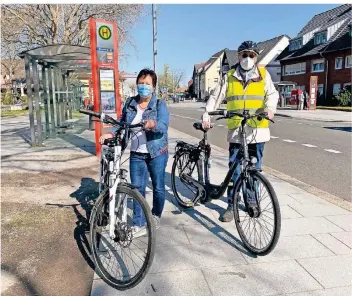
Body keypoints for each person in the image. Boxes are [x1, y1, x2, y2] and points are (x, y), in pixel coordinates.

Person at [202, 41, 279, 222]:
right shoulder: (229, 76)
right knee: (234, 170)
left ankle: (252, 202)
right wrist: (207, 114)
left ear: (256, 57)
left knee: (254, 169)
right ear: (238, 56)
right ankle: (231, 204)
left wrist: (269, 109)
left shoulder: (263, 75)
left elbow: (272, 94)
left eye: (251, 55)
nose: (247, 58)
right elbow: (216, 96)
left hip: (257, 130)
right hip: (237, 130)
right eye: (244, 55)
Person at [99, 68, 170, 236]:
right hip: (137, 153)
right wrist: (111, 132)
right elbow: (122, 122)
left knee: (158, 188)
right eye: (141, 83)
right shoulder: (130, 103)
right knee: (137, 189)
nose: (143, 86)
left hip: (157, 152)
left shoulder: (160, 104)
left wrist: (153, 124)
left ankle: (155, 215)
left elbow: (164, 126)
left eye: (147, 84)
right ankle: (139, 223)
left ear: (153, 87)